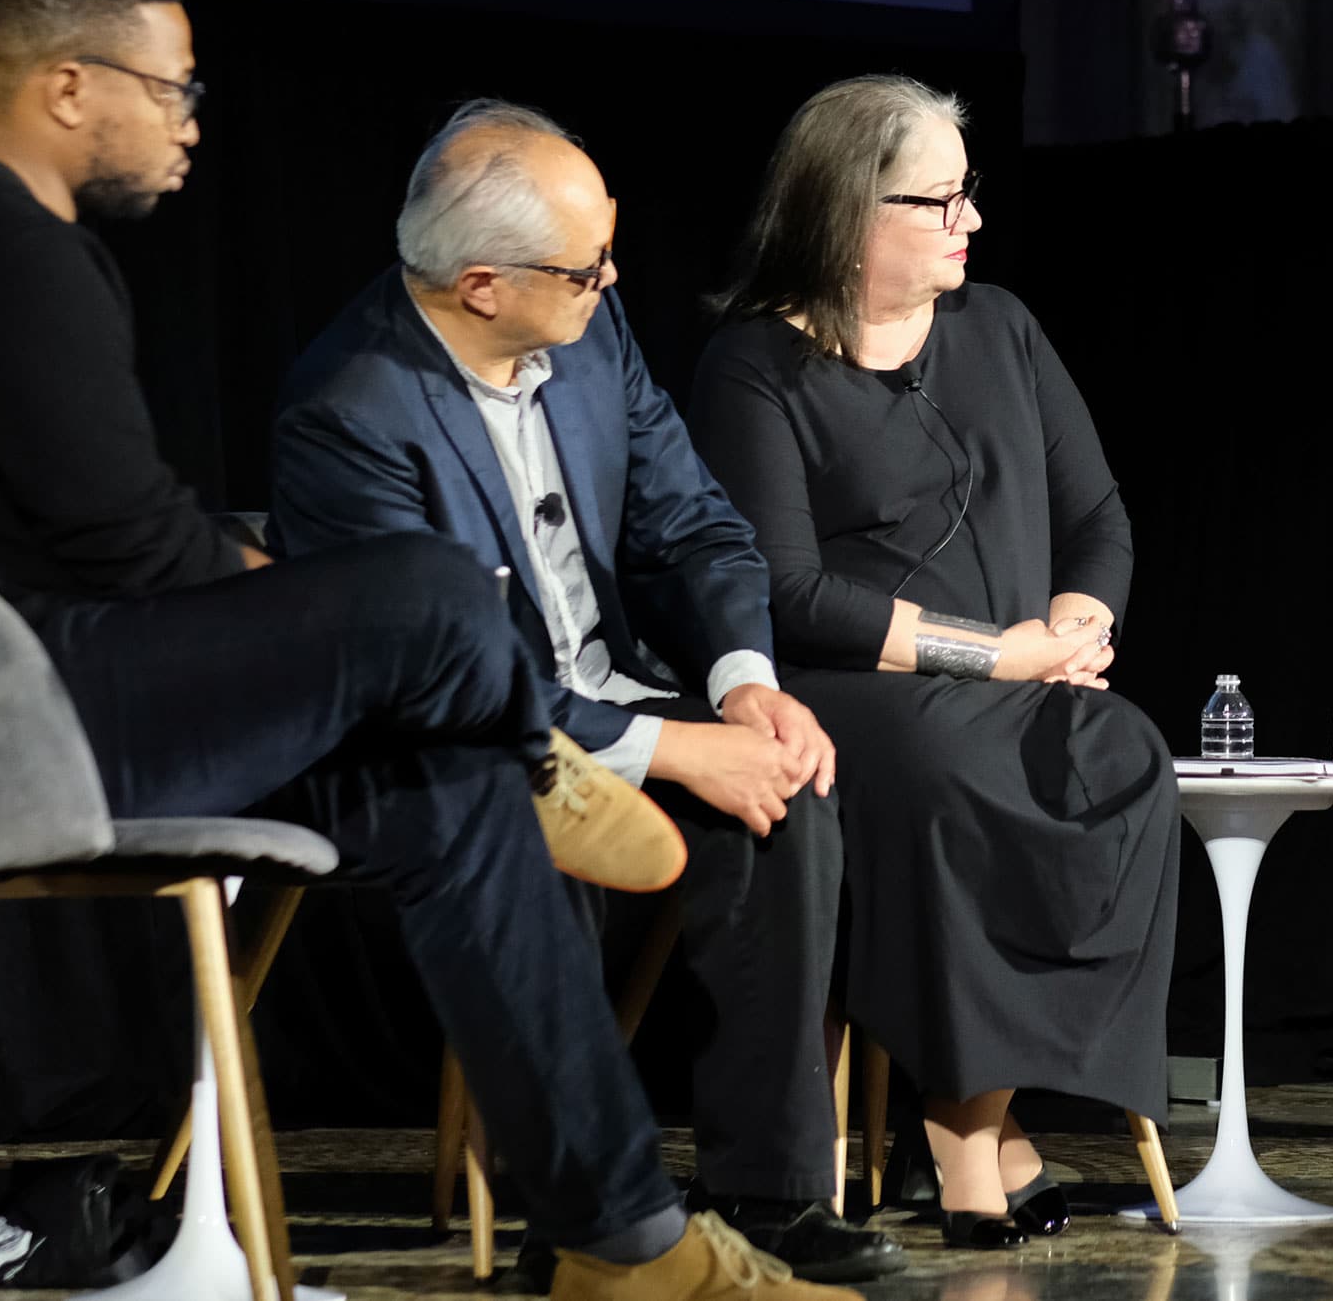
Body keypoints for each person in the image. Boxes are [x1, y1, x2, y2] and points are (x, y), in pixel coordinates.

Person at [0, 0, 853, 1301]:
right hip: (7, 728)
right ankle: (539, 745)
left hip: (49, 695)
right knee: (426, 588)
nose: (190, 123)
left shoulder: (1, 244)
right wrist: (321, 610)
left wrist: (302, 613)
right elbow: (144, 555)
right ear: (66, 86)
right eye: (169, 88)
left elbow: (133, 544)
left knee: (451, 795)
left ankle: (625, 1241)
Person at [269, 101, 903, 1285]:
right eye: (583, 266)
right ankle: (584, 1228)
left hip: (614, 690)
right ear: (479, 285)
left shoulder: (590, 334)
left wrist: (742, 687)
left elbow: (699, 526)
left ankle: (766, 1196)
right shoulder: (350, 412)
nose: (611, 280)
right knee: (534, 817)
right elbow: (429, 683)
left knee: (788, 792)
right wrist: (664, 753)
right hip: (459, 744)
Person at [686, 75, 1179, 1251]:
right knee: (955, 761)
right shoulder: (755, 366)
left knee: (1127, 757)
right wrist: (989, 653)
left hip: (1017, 679)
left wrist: (1074, 624)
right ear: (851, 208)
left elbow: (1098, 515)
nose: (969, 221)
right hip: (858, 685)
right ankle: (968, 1146)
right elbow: (788, 591)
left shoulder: (998, 327)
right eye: (938, 199)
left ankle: (976, 1112)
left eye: (970, 195)